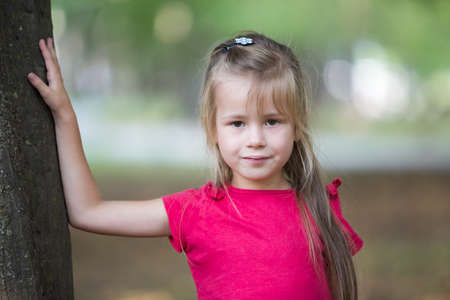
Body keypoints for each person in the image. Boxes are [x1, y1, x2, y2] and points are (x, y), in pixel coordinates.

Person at [27, 31, 363, 300]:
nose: (256, 139)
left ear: (297, 124)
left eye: (273, 121)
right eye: (237, 123)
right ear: (212, 128)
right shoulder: (196, 211)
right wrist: (64, 115)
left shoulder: (318, 206)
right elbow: (88, 211)